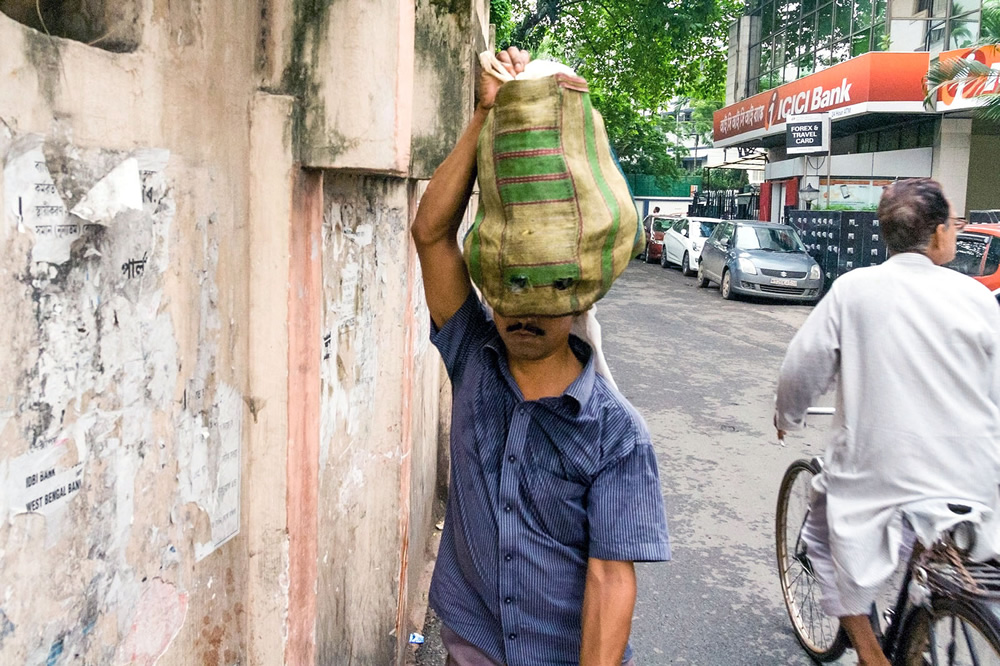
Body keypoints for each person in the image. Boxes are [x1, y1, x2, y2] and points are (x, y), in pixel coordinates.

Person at [411, 46, 670, 666]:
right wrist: (485, 114)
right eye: (511, 287)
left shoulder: (617, 437)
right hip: (470, 646)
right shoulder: (474, 357)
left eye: (548, 290)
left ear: (580, 289)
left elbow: (610, 580)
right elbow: (430, 234)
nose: (524, 313)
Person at [775, 178, 1000, 666]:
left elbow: (803, 367)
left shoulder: (855, 289)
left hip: (880, 473)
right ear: (940, 234)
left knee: (821, 539)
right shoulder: (980, 300)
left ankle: (873, 655)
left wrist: (787, 416)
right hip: (973, 475)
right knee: (934, 552)